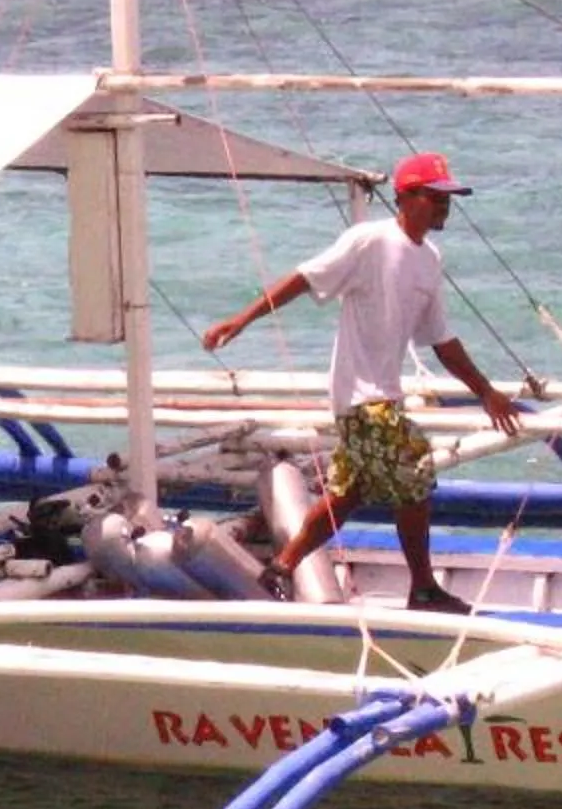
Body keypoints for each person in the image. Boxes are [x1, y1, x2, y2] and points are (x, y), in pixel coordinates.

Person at [201, 150, 527, 613]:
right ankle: (423, 588)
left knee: (348, 494)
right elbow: (305, 277)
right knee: (414, 469)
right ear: (405, 197)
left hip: (384, 395)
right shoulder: (370, 241)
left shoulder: (429, 259)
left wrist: (486, 392)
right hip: (362, 398)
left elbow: (441, 340)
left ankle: (281, 567)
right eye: (435, 197)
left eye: (447, 199)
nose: (444, 206)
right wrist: (241, 320)